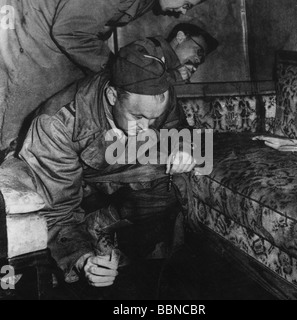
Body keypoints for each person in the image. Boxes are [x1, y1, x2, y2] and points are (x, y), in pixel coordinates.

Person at [14, 43, 197, 287]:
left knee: (173, 182)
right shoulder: (56, 124)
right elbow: (57, 211)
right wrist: (83, 259)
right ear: (112, 96)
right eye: (139, 117)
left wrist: (183, 147)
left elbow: (176, 126)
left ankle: (105, 229)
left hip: (115, 165)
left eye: (154, 119)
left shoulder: (156, 92)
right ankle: (92, 234)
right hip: (74, 181)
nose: (147, 129)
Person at [0, 0, 207, 150]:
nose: (181, 12)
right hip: (32, 36)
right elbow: (69, 31)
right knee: (20, 135)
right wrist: (120, 69)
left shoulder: (147, 3)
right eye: (186, 4)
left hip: (56, 43)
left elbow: (97, 25)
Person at [132, 22, 218, 83]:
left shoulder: (176, 70)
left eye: (201, 59)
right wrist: (175, 77)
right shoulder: (148, 47)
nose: (198, 60)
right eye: (199, 52)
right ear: (180, 37)